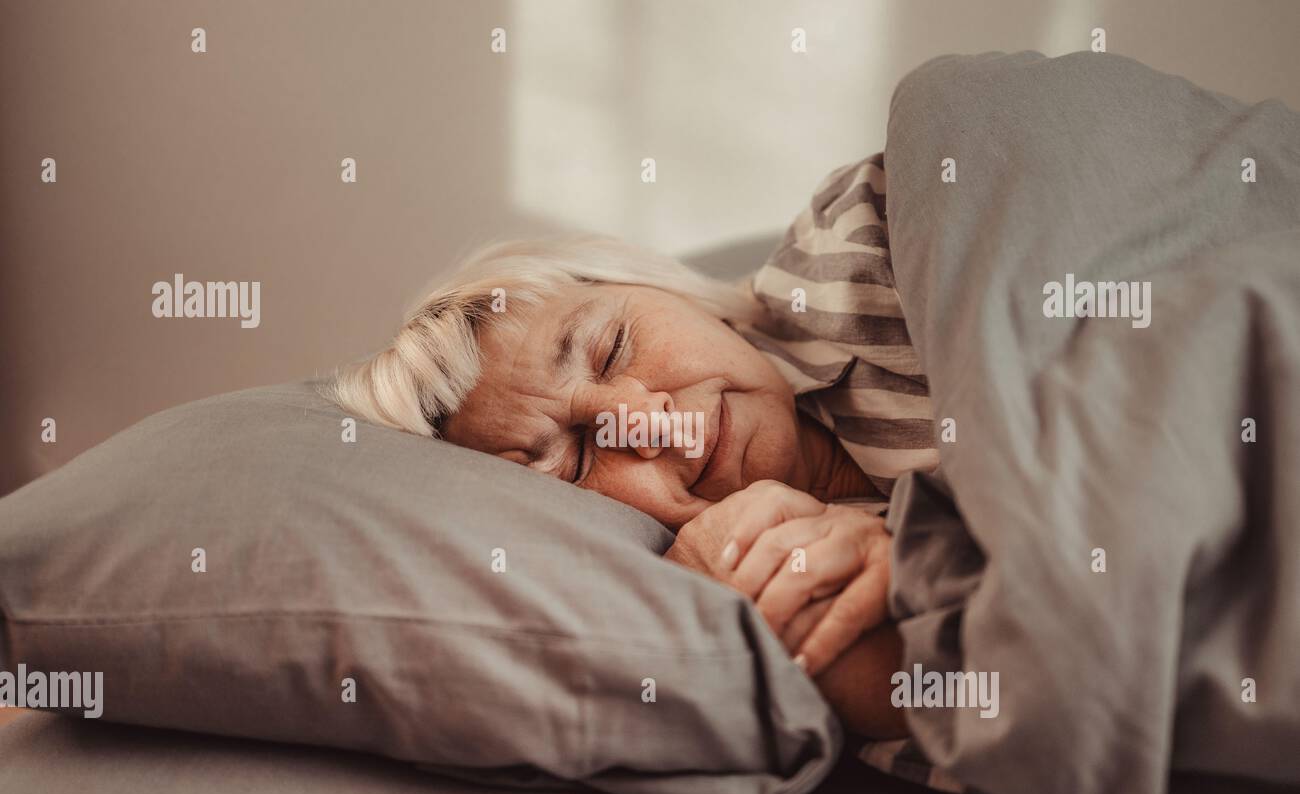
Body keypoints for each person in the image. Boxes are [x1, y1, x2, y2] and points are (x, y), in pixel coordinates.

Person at [327, 155, 938, 738]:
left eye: (613, 346)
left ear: (665, 291)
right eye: (577, 460)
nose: (642, 423)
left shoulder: (870, 236)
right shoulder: (738, 586)